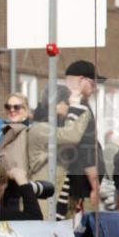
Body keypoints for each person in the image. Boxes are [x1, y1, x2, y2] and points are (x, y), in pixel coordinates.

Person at [27, 84, 91, 215]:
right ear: (59, 103)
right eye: (67, 104)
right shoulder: (39, 129)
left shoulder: (54, 126)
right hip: (43, 205)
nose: (69, 108)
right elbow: (73, 135)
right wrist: (79, 108)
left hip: (58, 203)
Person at [62, 60, 105, 216]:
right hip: (77, 191)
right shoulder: (81, 108)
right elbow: (85, 149)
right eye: (93, 84)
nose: (95, 88)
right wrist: (94, 185)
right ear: (81, 80)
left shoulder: (58, 101)